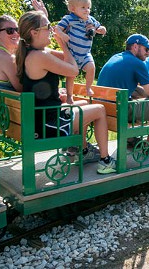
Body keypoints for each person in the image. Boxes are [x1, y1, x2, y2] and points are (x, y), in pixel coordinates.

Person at [15, 10, 115, 174]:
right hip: (49, 123)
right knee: (99, 110)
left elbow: (69, 59)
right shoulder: (39, 56)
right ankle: (106, 161)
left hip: (42, 117)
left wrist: (69, 41)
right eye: (47, 26)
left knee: (83, 103)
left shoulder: (34, 53)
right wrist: (62, 42)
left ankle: (82, 151)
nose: (52, 29)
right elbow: (73, 69)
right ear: (34, 32)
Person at [97, 34, 149, 155]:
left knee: (135, 95)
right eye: (146, 49)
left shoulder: (116, 57)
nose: (148, 53)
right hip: (120, 112)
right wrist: (144, 93)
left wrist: (139, 91)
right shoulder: (137, 63)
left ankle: (130, 139)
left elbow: (127, 86)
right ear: (135, 47)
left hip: (106, 110)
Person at [0, 0, 48, 92]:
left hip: (6, 104)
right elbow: (22, 89)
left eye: (17, 29)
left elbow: (37, 43)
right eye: (9, 30)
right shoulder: (6, 58)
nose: (15, 34)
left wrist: (44, 18)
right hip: (13, 105)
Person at [56, 0, 107, 104]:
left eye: (88, 8)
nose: (87, 10)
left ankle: (88, 87)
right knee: (71, 76)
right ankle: (70, 96)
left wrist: (102, 29)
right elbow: (57, 29)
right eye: (83, 7)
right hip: (72, 53)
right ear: (72, 8)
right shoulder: (69, 19)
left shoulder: (90, 19)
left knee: (91, 67)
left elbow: (99, 27)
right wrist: (63, 35)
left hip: (85, 53)